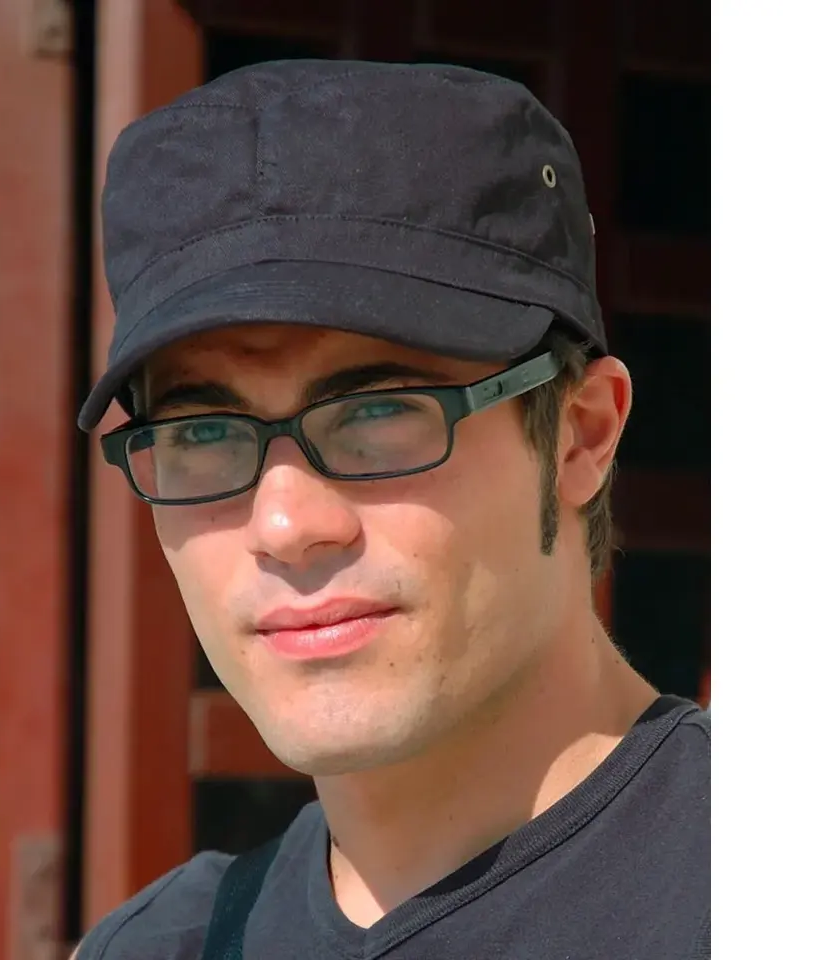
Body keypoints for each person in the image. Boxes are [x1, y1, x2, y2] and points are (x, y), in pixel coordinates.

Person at [73, 60, 710, 960]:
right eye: (203, 432)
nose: (287, 525)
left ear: (580, 436)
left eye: (376, 415)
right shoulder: (162, 946)